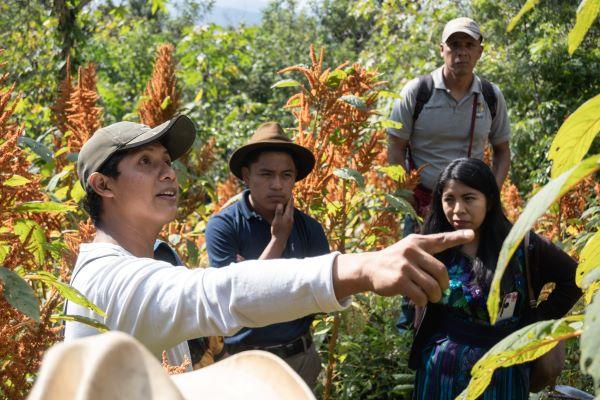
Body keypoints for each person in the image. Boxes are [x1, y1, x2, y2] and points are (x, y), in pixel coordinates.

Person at [64, 114, 475, 371]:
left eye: (167, 162)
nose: (169, 173)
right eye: (145, 163)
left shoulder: (154, 259)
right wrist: (362, 268)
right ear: (103, 185)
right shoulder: (108, 281)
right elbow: (218, 292)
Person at [409, 158, 581, 399]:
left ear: (489, 201)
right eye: (449, 199)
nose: (458, 209)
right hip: (441, 372)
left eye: (469, 198)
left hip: (503, 374)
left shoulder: (521, 245)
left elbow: (575, 278)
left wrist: (536, 321)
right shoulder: (435, 243)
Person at [205, 122, 328, 388]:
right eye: (266, 174)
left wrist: (253, 272)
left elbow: (324, 296)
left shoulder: (309, 229)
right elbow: (235, 298)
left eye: (286, 175)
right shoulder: (224, 227)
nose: (277, 184)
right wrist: (278, 240)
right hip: (244, 364)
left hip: (300, 360)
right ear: (246, 176)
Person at [387, 17, 511, 219]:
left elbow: (502, 151)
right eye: (454, 45)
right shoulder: (418, 92)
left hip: (472, 207)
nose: (462, 52)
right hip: (423, 204)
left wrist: (490, 196)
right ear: (442, 50)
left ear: (479, 51)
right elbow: (395, 146)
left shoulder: (490, 96)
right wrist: (409, 199)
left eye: (469, 45)